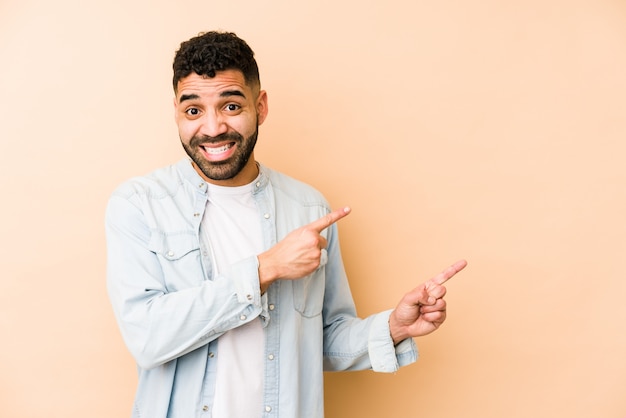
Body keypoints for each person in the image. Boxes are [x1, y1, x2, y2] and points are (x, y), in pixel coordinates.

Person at [105, 30, 467, 418]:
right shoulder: (140, 204)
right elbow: (147, 338)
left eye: (230, 106)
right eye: (193, 111)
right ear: (176, 112)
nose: (211, 129)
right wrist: (265, 269)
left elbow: (321, 338)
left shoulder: (309, 208)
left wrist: (393, 327)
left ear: (260, 107)